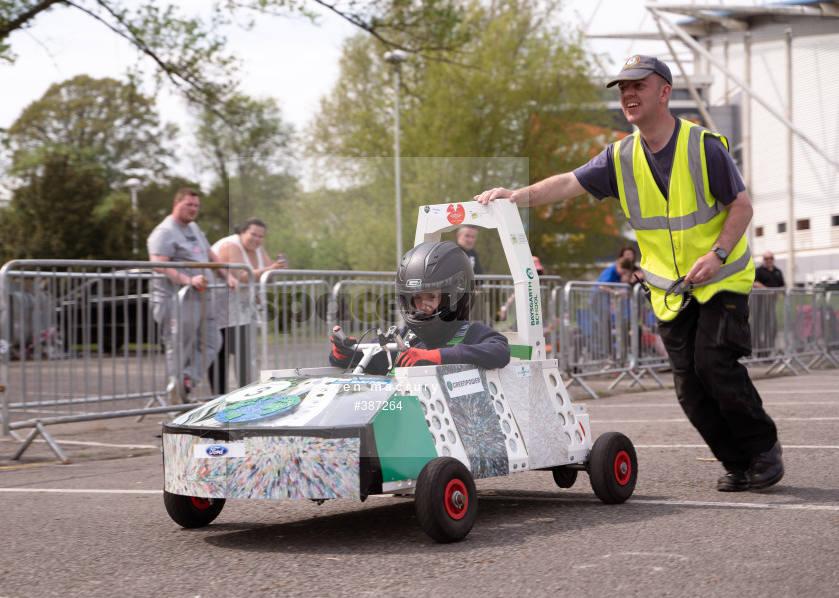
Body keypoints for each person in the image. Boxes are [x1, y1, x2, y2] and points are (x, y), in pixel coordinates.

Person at [475, 55, 783, 492]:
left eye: (638, 85)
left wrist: (716, 254)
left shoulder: (703, 146)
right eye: (622, 88)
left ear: (664, 92)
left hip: (721, 280)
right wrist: (514, 196)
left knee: (715, 365)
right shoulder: (620, 157)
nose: (628, 94)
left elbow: (742, 206)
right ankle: (737, 463)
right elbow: (567, 183)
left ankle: (764, 450)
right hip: (670, 291)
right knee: (689, 390)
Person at [329, 241, 510, 375]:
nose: (424, 305)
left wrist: (437, 356)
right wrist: (344, 352)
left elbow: (500, 351)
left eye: (432, 296)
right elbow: (361, 358)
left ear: (455, 296)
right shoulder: (405, 337)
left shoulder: (470, 332)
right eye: (417, 298)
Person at [148, 188, 238, 399]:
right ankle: (176, 398)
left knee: (213, 341)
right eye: (189, 204)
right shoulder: (164, 231)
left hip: (202, 298)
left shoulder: (194, 227)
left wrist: (228, 276)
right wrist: (188, 280)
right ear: (176, 203)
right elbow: (158, 265)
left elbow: (209, 254)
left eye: (196, 205)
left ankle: (186, 379)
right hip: (177, 300)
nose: (193, 209)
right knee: (180, 346)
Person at [208, 217, 286, 394]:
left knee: (245, 355)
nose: (257, 239)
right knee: (221, 354)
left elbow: (268, 273)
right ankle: (217, 397)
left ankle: (244, 394)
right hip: (219, 308)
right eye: (253, 234)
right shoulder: (230, 246)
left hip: (242, 309)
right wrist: (269, 270)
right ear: (242, 232)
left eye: (261, 236)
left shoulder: (258, 248)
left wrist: (276, 269)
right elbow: (241, 276)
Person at [751, 252, 784, 355]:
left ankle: (768, 348)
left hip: (771, 304)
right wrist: (769, 290)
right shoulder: (759, 271)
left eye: (771, 258)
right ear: (763, 260)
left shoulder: (778, 271)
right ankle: (756, 348)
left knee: (771, 326)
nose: (769, 260)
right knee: (757, 326)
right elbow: (755, 283)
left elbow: (782, 285)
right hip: (758, 304)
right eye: (766, 258)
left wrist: (778, 290)